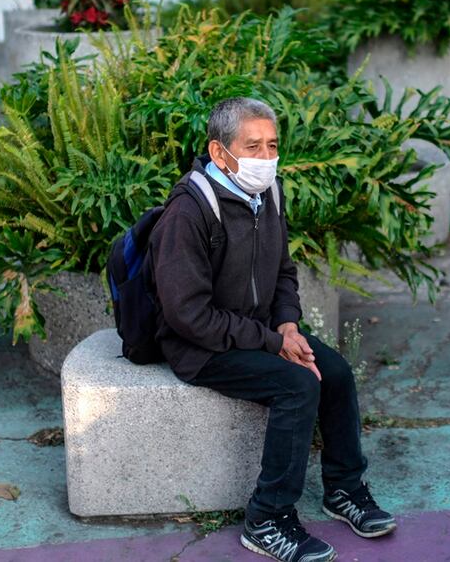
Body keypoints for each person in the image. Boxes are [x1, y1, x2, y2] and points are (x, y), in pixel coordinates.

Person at [149, 98, 397, 562]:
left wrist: (287, 322)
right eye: (253, 146)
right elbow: (188, 315)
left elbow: (283, 270)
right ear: (220, 152)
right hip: (201, 346)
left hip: (261, 329)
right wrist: (272, 341)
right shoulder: (189, 213)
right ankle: (267, 518)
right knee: (298, 385)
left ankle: (343, 488)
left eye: (272, 145)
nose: (266, 158)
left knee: (336, 372)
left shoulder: (268, 193)